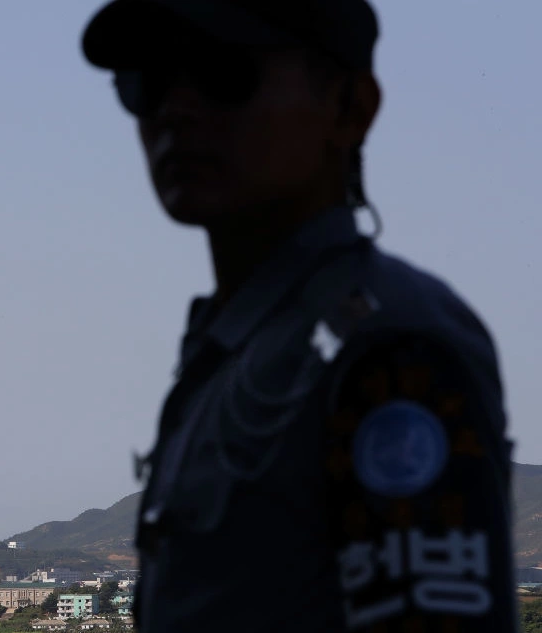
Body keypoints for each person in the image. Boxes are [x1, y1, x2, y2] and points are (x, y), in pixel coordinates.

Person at [80, 1, 516, 631]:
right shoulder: (240, 350)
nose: (175, 108)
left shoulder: (390, 348)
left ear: (350, 108)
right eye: (146, 83)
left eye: (224, 73)